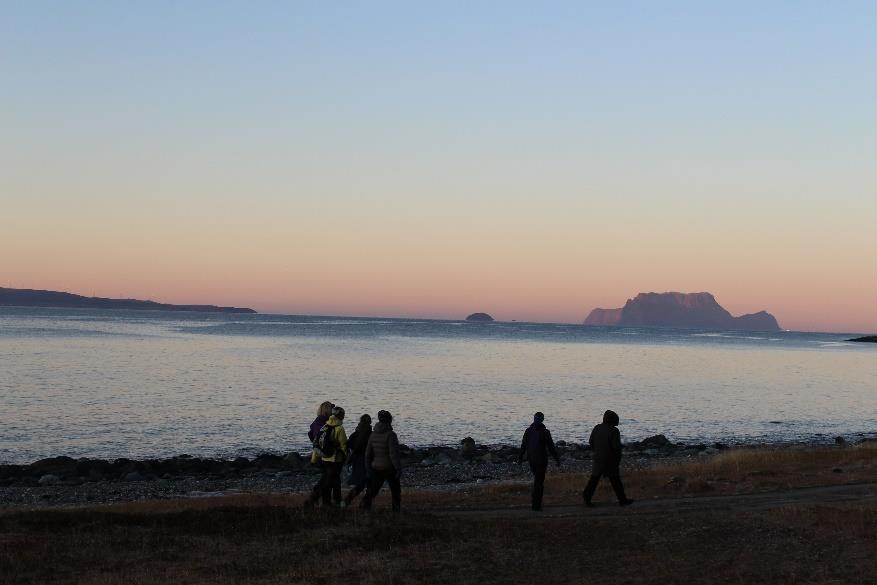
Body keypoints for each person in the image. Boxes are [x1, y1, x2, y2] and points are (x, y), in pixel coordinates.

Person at [582, 409, 633, 507]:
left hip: (598, 458)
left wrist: (597, 451)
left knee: (594, 479)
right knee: (615, 481)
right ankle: (622, 500)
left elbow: (591, 442)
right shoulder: (614, 430)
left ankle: (587, 497)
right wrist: (618, 457)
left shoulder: (597, 427)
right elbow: (616, 447)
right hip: (610, 460)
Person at [518, 411, 561, 511]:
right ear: (542, 420)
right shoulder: (545, 432)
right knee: (539, 483)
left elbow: (523, 446)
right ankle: (536, 505)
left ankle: (536, 504)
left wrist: (520, 458)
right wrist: (557, 459)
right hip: (541, 461)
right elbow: (551, 447)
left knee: (538, 481)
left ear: (534, 419)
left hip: (532, 460)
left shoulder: (528, 431)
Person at [306, 406, 348, 507]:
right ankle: (334, 502)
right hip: (335, 460)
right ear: (340, 416)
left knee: (328, 481)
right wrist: (346, 458)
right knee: (334, 482)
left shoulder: (325, 426)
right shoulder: (339, 428)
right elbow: (344, 446)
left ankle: (327, 503)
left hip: (324, 458)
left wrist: (313, 459)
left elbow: (317, 444)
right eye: (343, 414)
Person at [361, 410, 402, 512]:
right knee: (395, 490)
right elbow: (393, 454)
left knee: (372, 490)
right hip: (389, 468)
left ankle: (364, 507)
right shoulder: (391, 435)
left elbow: (367, 454)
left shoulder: (373, 434)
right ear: (389, 420)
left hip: (376, 467)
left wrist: (368, 468)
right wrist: (398, 468)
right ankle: (396, 511)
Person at [342, 413, 372, 507]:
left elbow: (348, 446)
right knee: (370, 484)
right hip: (369, 461)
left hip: (357, 461)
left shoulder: (354, 435)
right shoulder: (371, 434)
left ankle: (347, 501)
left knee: (360, 484)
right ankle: (365, 504)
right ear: (370, 422)